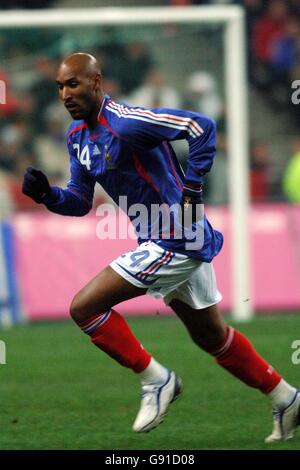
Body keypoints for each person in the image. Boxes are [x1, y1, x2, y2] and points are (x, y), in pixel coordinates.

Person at [22, 52, 299, 441]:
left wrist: (193, 186)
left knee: (84, 307)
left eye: (74, 83)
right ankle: (287, 398)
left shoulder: (127, 121)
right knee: (210, 337)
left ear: (97, 82)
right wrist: (47, 196)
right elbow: (81, 201)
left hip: (177, 238)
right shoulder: (77, 138)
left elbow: (199, 125)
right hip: (164, 240)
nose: (65, 93)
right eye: (60, 86)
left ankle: (156, 379)